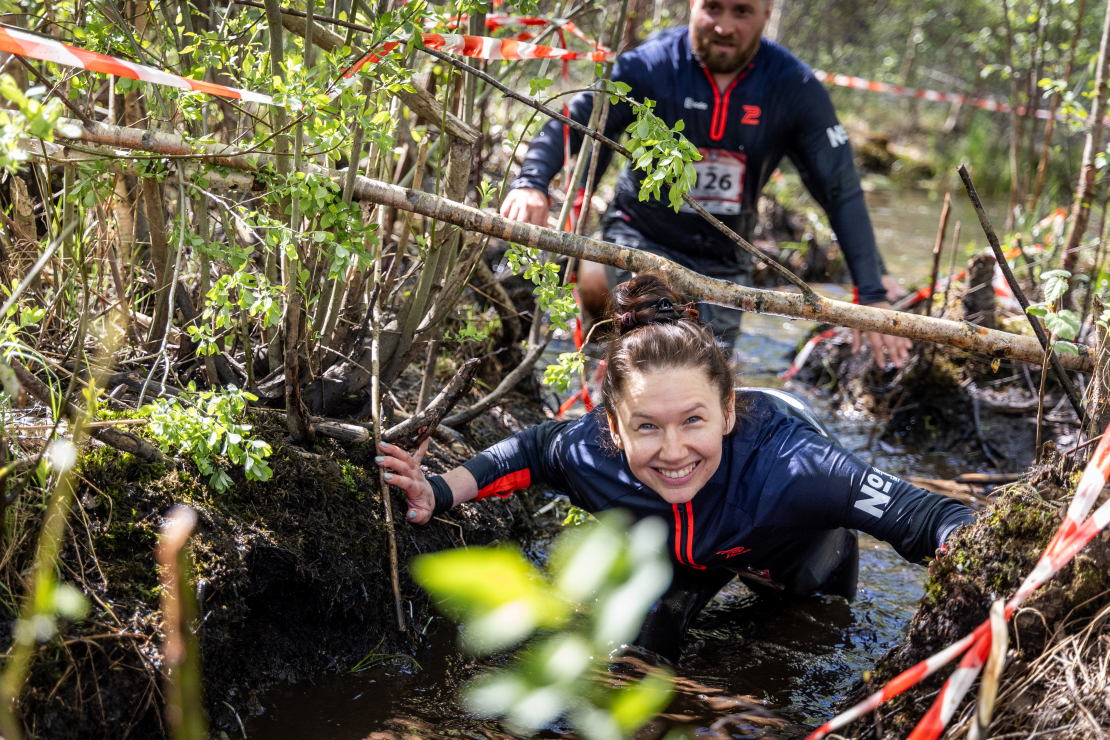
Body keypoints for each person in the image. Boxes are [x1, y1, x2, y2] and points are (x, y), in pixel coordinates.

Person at [376, 274, 974, 661]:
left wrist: (977, 548)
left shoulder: (793, 466)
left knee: (812, 639)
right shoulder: (590, 451)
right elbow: (528, 451)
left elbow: (920, 514)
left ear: (727, 411)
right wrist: (437, 491)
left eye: (693, 421)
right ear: (612, 428)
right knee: (632, 657)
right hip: (677, 559)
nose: (673, 451)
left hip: (788, 554)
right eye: (646, 427)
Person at [499, 0, 911, 367]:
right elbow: (578, 118)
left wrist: (871, 287)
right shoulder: (651, 65)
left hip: (723, 260)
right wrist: (531, 181)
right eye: (713, 7)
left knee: (707, 369)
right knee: (654, 346)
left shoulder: (794, 86)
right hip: (640, 236)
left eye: (742, 11)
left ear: (767, 11)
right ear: (692, 6)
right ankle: (597, 323)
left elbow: (840, 188)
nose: (725, 26)